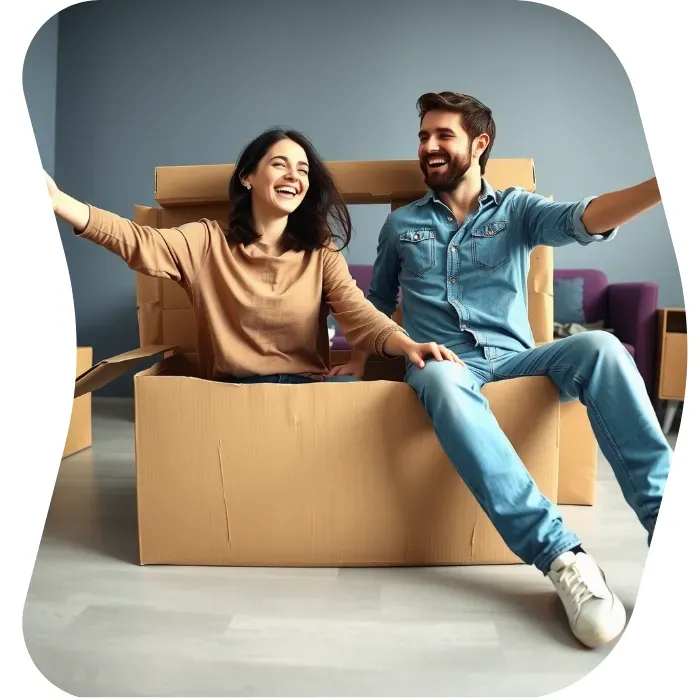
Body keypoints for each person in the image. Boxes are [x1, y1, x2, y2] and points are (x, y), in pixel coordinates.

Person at [329, 92, 670, 649]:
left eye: (443, 135)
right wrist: (358, 360)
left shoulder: (517, 209)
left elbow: (582, 218)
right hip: (440, 364)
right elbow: (374, 299)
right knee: (439, 375)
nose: (429, 147)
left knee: (604, 347)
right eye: (423, 136)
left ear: (479, 144)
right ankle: (562, 556)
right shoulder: (402, 225)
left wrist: (664, 185)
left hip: (517, 360)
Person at [46, 127, 465, 385]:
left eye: (302, 170)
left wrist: (406, 343)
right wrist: (58, 201)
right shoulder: (207, 243)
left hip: (304, 392)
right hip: (231, 394)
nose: (293, 177)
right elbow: (137, 240)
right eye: (280, 165)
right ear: (247, 177)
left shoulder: (319, 251)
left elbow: (357, 314)